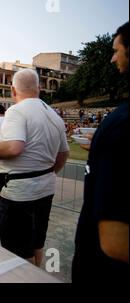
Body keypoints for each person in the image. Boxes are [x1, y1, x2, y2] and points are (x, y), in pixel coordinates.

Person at [0, 69, 69, 266]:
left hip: (19, 194)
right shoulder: (54, 115)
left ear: (12, 90)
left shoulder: (16, 111)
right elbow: (63, 155)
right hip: (46, 189)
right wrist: (46, 175)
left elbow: (15, 147)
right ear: (39, 88)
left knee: (17, 252)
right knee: (36, 243)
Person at [72, 21, 129, 283]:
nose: (112, 58)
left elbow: (115, 243)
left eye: (117, 50)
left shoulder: (120, 125)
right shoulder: (116, 127)